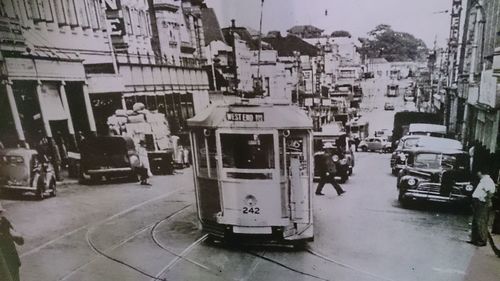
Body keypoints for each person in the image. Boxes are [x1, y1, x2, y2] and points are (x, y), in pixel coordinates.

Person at [468, 169, 497, 247]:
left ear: (481, 172)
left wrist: (484, 199)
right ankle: (474, 239)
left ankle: (482, 240)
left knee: (481, 221)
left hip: (482, 203)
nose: (477, 174)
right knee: (475, 221)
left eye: (478, 172)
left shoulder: (487, 180)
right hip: (478, 202)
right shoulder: (484, 180)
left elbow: (490, 192)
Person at [0, 203, 24, 281]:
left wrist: (16, 235)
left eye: (0, 213)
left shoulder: (4, 222)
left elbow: (20, 241)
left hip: (12, 261)